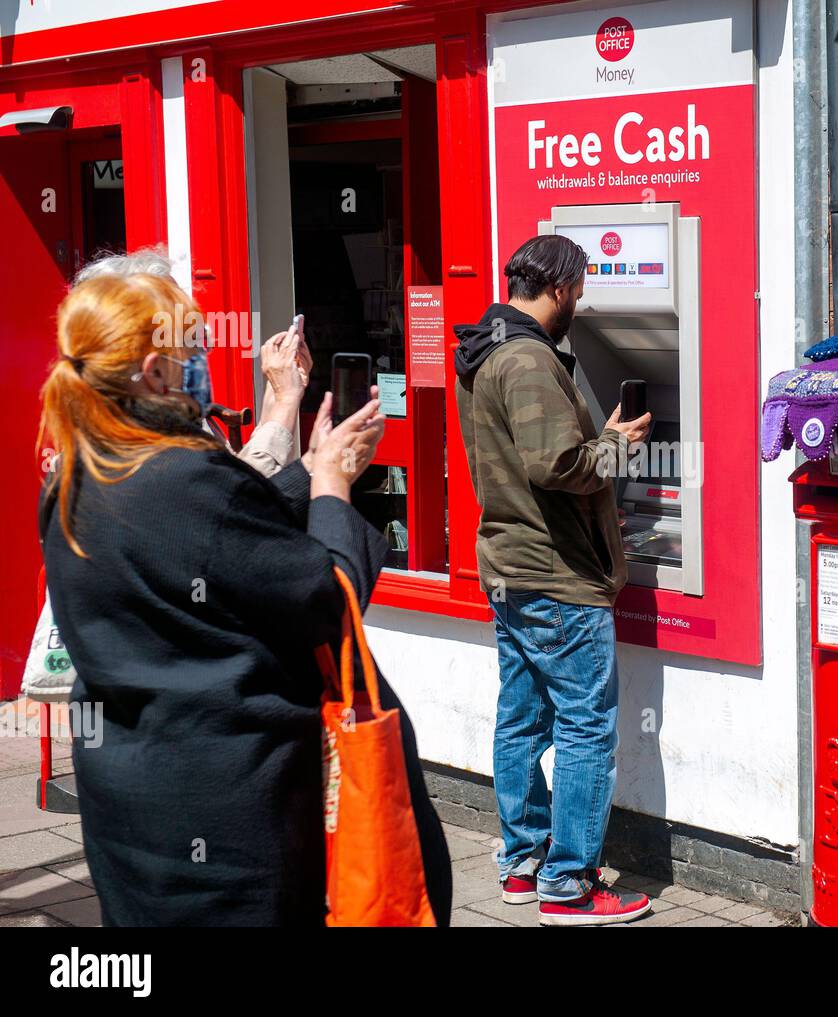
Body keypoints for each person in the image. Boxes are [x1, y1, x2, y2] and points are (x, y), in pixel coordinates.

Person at [38, 271, 452, 926]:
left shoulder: (75, 475)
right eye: (187, 350)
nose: (195, 365)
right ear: (153, 370)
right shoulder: (183, 476)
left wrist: (309, 468)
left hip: (129, 803)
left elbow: (212, 539)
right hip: (230, 816)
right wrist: (334, 485)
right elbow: (329, 597)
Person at [453, 234, 654, 926]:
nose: (580, 305)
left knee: (521, 719)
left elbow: (523, 461)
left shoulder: (484, 349)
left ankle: (523, 863)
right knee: (585, 728)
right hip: (557, 574)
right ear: (561, 287)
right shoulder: (529, 357)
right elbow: (556, 464)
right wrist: (617, 445)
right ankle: (568, 886)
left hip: (511, 565)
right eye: (580, 291)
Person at [75, 248, 309, 478]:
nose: (206, 344)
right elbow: (240, 494)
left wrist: (276, 396)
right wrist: (285, 402)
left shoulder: (153, 407)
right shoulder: (147, 430)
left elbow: (236, 477)